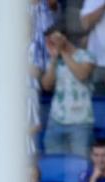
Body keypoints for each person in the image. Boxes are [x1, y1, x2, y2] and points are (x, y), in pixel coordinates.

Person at [41, 24, 96, 156]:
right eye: (49, 40)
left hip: (80, 122)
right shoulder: (53, 59)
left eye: (54, 39)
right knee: (53, 165)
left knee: (79, 166)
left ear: (64, 38)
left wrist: (63, 52)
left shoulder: (86, 55)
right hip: (56, 120)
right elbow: (46, 85)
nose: (51, 43)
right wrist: (54, 58)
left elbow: (82, 74)